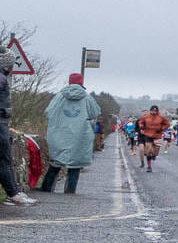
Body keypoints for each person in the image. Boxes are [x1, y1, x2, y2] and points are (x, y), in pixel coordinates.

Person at [39, 73, 102, 194]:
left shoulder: (59, 97)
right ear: (81, 83)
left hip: (59, 134)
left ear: (69, 82)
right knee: (75, 165)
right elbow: (95, 113)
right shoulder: (87, 98)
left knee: (55, 163)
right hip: (79, 135)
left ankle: (46, 190)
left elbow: (48, 112)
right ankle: (69, 192)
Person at [0, 52, 37, 206]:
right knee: (4, 161)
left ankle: (13, 192)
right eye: (11, 64)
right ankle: (13, 194)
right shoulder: (1, 78)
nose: (12, 68)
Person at [137, 106, 171, 172]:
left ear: (157, 111)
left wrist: (161, 129)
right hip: (148, 135)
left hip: (157, 135)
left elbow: (167, 124)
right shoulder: (146, 117)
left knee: (156, 152)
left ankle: (154, 155)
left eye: (155, 111)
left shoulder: (161, 118)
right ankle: (149, 167)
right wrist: (142, 126)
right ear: (150, 111)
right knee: (148, 150)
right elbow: (140, 121)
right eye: (152, 110)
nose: (154, 112)